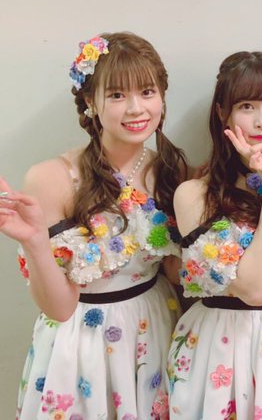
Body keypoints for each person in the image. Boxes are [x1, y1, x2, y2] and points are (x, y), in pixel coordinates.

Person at [0, 32, 188, 419]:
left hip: (152, 327)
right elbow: (60, 309)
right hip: (81, 341)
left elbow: (174, 273)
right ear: (90, 101)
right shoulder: (52, 178)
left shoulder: (170, 171)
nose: (136, 108)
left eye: (147, 92)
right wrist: (35, 243)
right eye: (117, 95)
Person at [157, 52, 262, 420]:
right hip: (224, 348)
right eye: (246, 106)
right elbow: (254, 290)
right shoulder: (195, 195)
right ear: (222, 112)